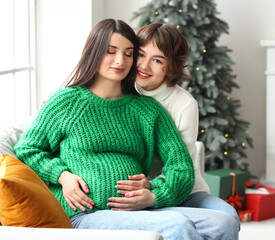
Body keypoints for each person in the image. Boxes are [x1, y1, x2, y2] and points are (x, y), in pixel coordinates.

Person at [13, 19, 238, 240]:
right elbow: (28, 149)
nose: (120, 60)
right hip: (87, 213)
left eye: (129, 53)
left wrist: (153, 196)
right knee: (178, 226)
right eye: (111, 51)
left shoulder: (147, 109)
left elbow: (181, 168)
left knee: (223, 223)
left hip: (142, 210)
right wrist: (63, 176)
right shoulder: (66, 101)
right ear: (94, 52)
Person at [115, 22, 241, 234]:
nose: (144, 66)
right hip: (138, 188)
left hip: (186, 190)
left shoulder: (184, 104)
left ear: (172, 66)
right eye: (141, 55)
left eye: (157, 60)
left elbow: (181, 165)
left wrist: (153, 188)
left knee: (228, 216)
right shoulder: (121, 91)